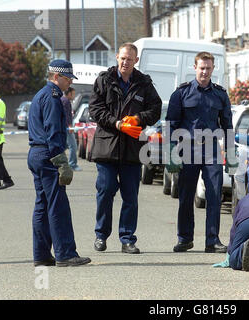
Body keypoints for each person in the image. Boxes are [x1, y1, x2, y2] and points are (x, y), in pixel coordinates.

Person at [89, 43, 162, 254]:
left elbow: (155, 109)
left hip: (132, 149)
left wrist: (139, 118)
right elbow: (95, 109)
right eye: (122, 58)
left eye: (129, 59)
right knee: (105, 192)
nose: (125, 62)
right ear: (116, 57)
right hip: (107, 147)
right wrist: (116, 123)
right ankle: (101, 235)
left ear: (136, 61)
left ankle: (127, 238)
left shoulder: (144, 84)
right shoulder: (104, 80)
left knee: (130, 197)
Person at [165, 51, 236, 253]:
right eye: (201, 68)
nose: (204, 72)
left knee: (214, 194)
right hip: (188, 148)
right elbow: (170, 124)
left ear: (213, 69)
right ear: (195, 68)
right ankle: (185, 238)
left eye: (208, 68)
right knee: (186, 195)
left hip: (212, 149)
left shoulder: (220, 95)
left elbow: (228, 125)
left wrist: (230, 154)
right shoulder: (181, 94)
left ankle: (212, 241)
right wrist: (170, 152)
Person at [27, 59, 91, 267]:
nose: (69, 84)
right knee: (58, 206)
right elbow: (54, 132)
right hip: (48, 155)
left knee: (42, 206)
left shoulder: (40, 95)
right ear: (56, 76)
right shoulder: (54, 97)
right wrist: (61, 161)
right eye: (67, 79)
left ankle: (42, 254)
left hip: (36, 154)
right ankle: (65, 253)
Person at [61, 87, 81, 171]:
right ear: (69, 94)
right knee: (73, 146)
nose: (74, 96)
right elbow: (66, 115)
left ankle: (60, 163)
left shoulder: (64, 100)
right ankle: (72, 164)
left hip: (65, 127)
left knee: (63, 146)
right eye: (73, 94)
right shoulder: (65, 101)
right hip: (67, 127)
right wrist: (69, 125)